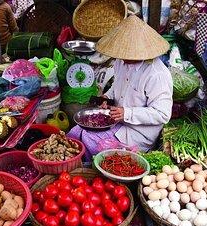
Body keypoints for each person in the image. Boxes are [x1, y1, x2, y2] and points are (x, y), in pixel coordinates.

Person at [67, 15, 173, 160]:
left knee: (89, 138)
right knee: (75, 131)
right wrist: (108, 97)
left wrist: (127, 113)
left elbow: (162, 114)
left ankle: (92, 170)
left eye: (126, 55)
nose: (122, 58)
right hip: (118, 121)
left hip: (138, 132)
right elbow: (117, 88)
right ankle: (75, 165)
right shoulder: (121, 62)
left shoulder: (156, 74)